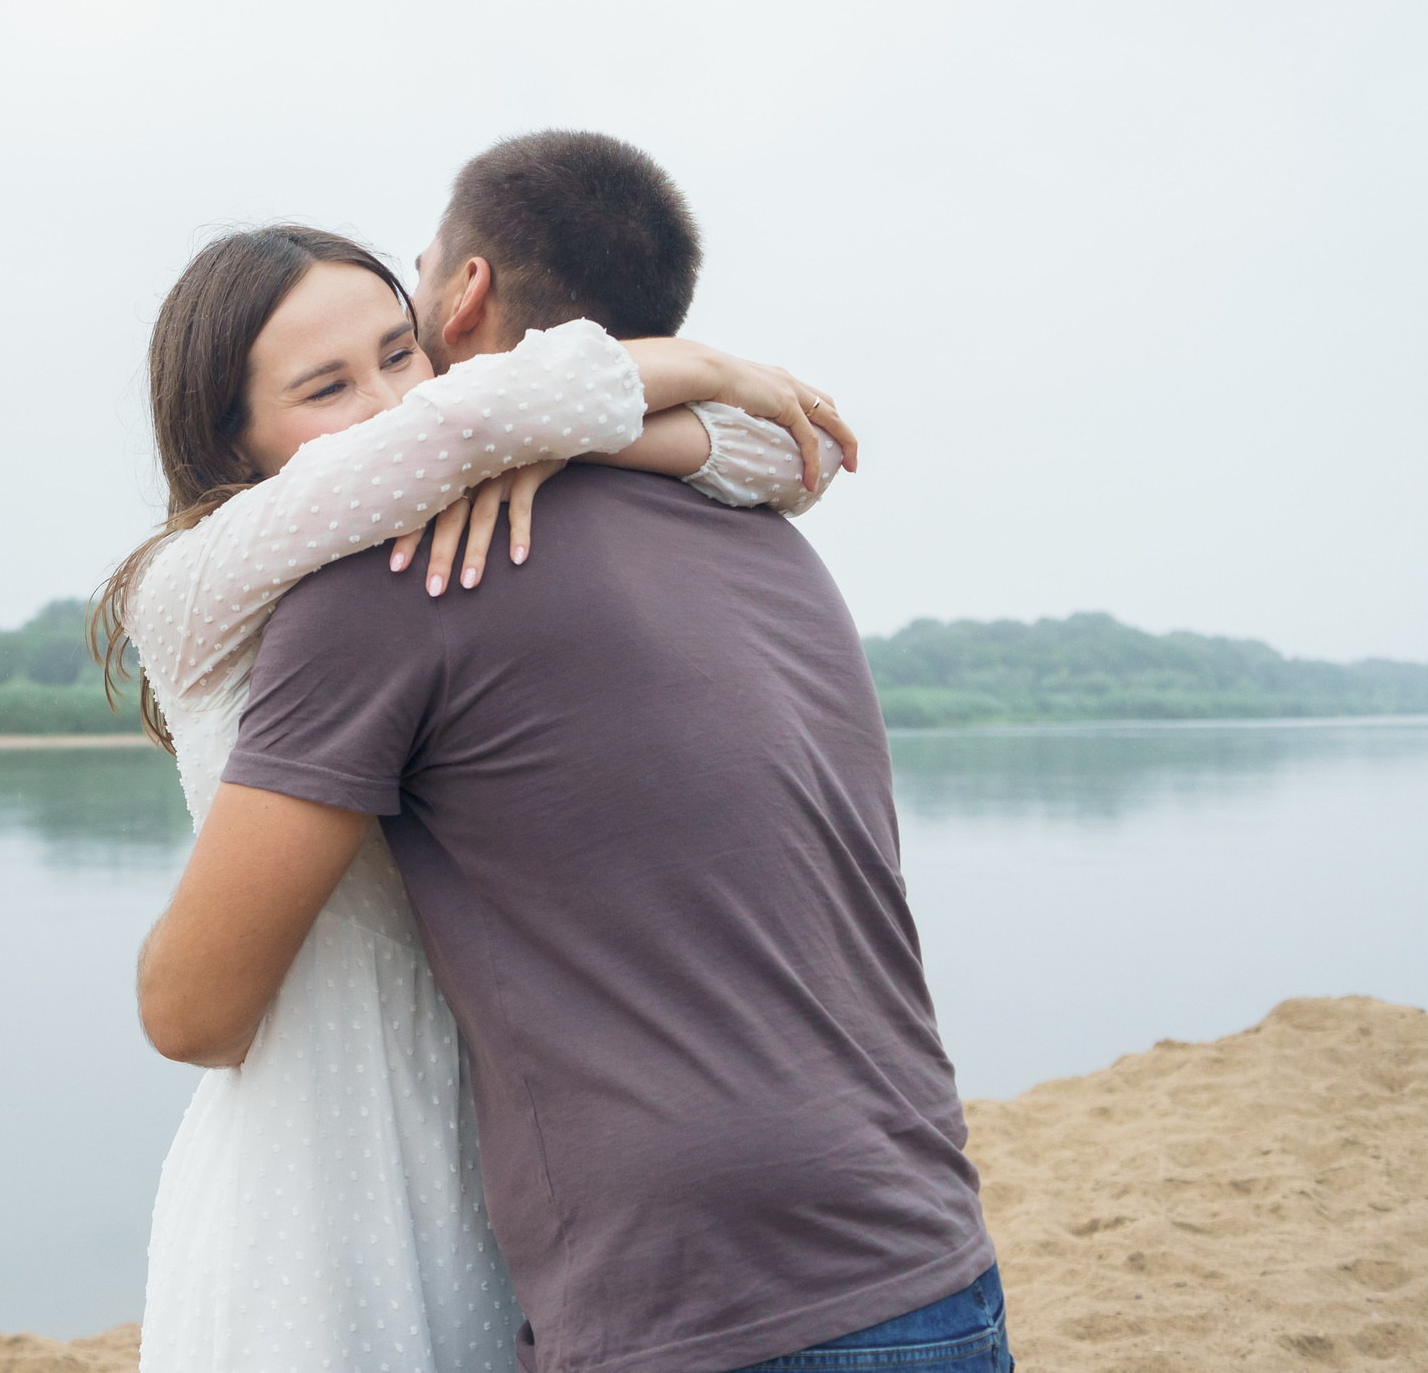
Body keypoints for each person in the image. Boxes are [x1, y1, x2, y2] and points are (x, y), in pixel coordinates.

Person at [134, 132, 1009, 1373]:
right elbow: (192, 1012)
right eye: (326, 388)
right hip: (897, 1237)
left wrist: (629, 419)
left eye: (400, 353)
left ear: (458, 304)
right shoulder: (231, 582)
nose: (394, 402)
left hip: (582, 1223)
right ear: (232, 447)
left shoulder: (419, 568)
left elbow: (775, 448)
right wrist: (695, 371)